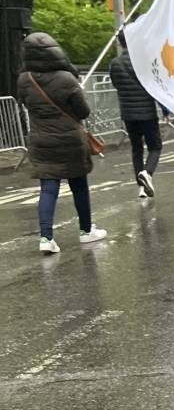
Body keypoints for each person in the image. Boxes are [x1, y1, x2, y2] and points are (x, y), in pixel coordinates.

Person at [18, 32, 107, 254]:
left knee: (48, 189)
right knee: (79, 186)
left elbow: (26, 104)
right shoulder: (66, 79)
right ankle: (86, 231)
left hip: (41, 139)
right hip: (70, 139)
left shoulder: (24, 79)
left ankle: (46, 237)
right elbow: (83, 111)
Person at [109, 32, 161, 199]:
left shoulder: (115, 64)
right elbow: (155, 86)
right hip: (147, 111)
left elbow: (117, 85)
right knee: (155, 147)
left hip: (128, 113)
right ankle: (147, 173)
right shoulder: (144, 63)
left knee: (136, 149)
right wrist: (166, 110)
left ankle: (141, 187)